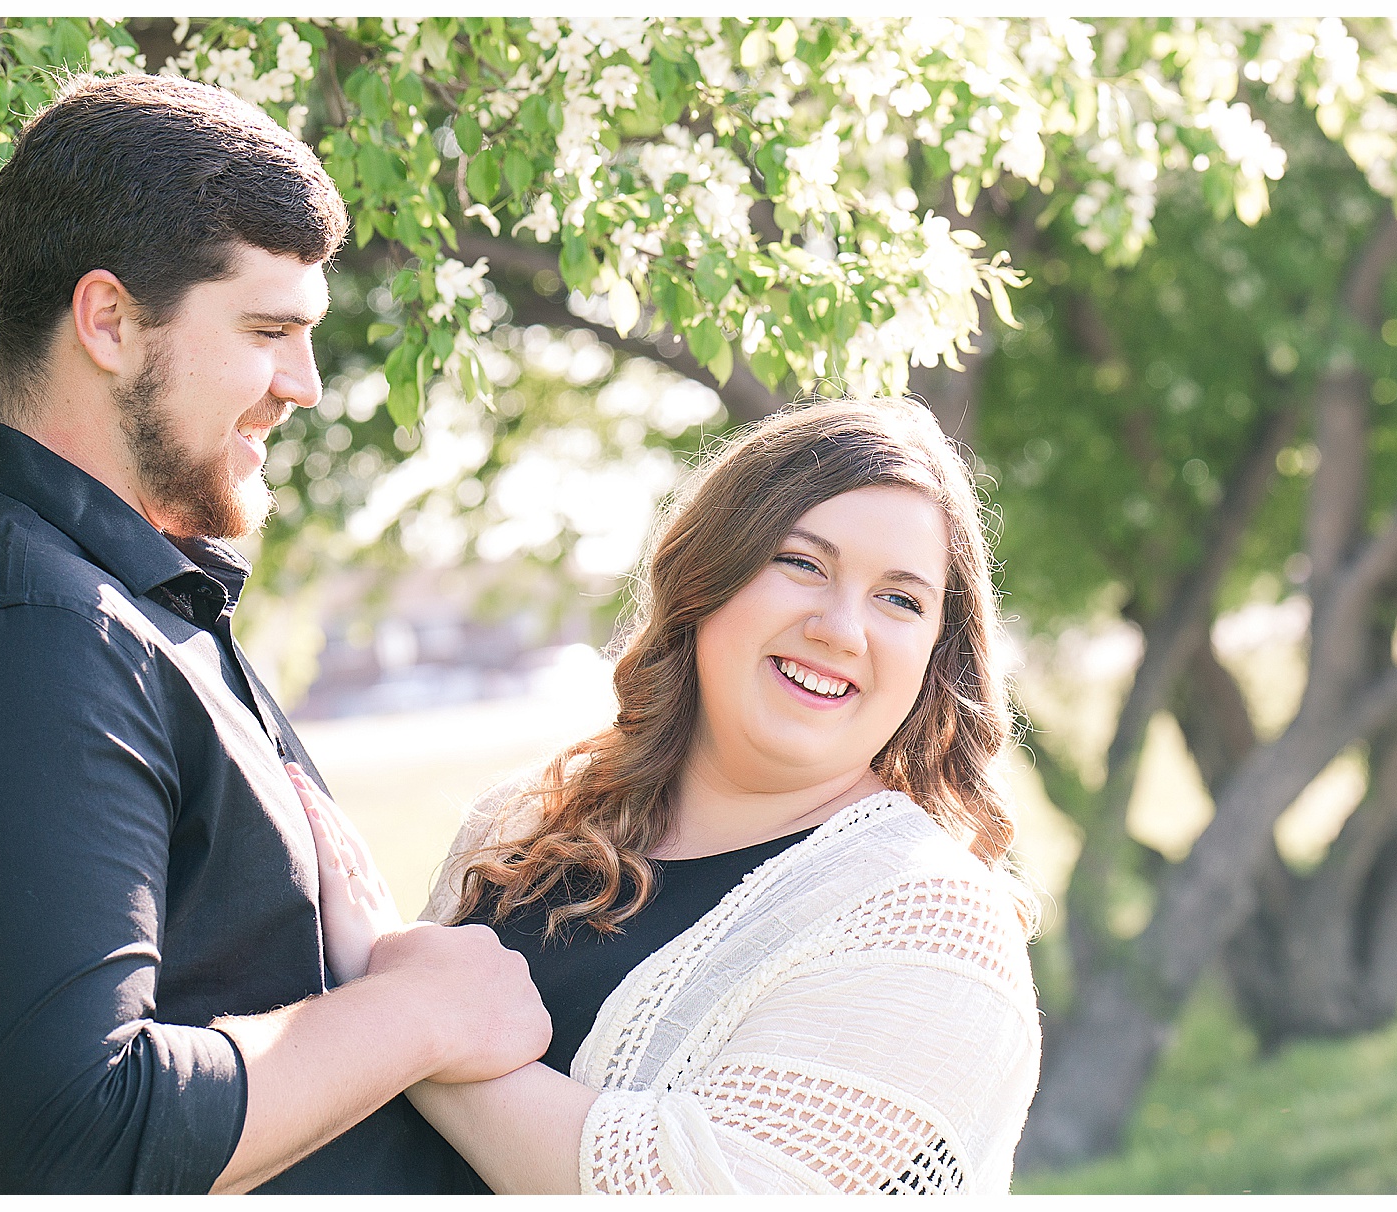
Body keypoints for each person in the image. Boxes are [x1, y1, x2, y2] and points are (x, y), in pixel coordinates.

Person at [0, 73, 550, 1195]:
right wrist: (416, 1013)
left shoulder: (123, 599)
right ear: (108, 321)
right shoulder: (18, 633)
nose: (307, 385)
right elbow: (71, 1144)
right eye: (268, 330)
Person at [303, 396, 1042, 1194]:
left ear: (937, 654)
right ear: (707, 577)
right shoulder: (526, 820)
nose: (840, 627)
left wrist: (401, 1005)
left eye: (900, 599)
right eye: (802, 563)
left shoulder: (932, 923)